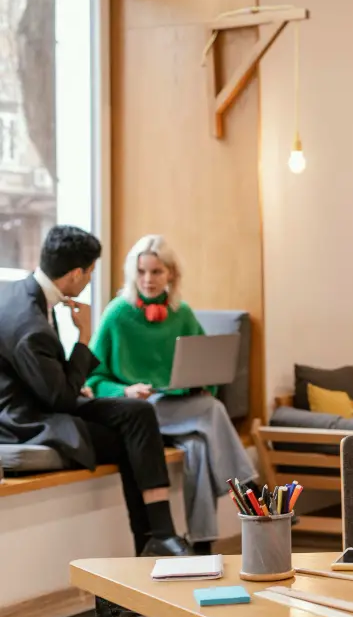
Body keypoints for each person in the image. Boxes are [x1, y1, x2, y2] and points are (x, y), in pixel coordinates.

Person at [0, 225, 192, 557]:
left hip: (47, 397)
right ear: (75, 273)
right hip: (25, 418)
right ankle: (155, 538)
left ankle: (158, 537)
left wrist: (78, 384)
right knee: (133, 437)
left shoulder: (25, 292)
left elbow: (51, 381)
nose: (89, 279)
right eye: (90, 272)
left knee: (139, 413)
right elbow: (58, 397)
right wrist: (84, 337)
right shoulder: (29, 324)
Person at [86, 235, 256, 552]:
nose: (148, 280)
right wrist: (126, 388)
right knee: (212, 409)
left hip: (180, 408)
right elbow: (91, 378)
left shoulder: (183, 314)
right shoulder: (116, 314)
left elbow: (207, 367)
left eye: (156, 272)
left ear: (171, 274)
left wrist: (201, 383)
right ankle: (249, 490)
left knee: (200, 447)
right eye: (141, 272)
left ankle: (203, 543)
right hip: (140, 412)